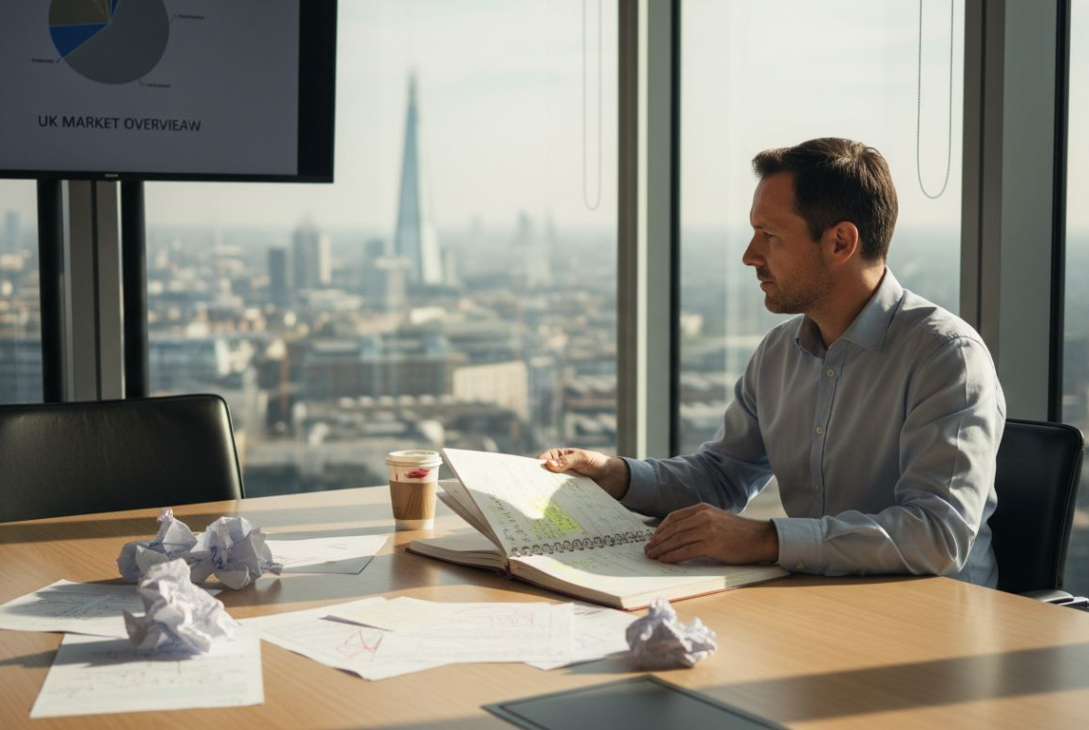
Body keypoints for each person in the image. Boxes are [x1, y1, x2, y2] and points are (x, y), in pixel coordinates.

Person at [541, 137, 1006, 586]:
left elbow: (938, 536)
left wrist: (768, 538)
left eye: (769, 236)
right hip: (819, 606)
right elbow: (721, 477)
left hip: (935, 628)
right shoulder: (779, 353)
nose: (750, 256)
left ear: (841, 242)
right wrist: (615, 474)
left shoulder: (947, 358)